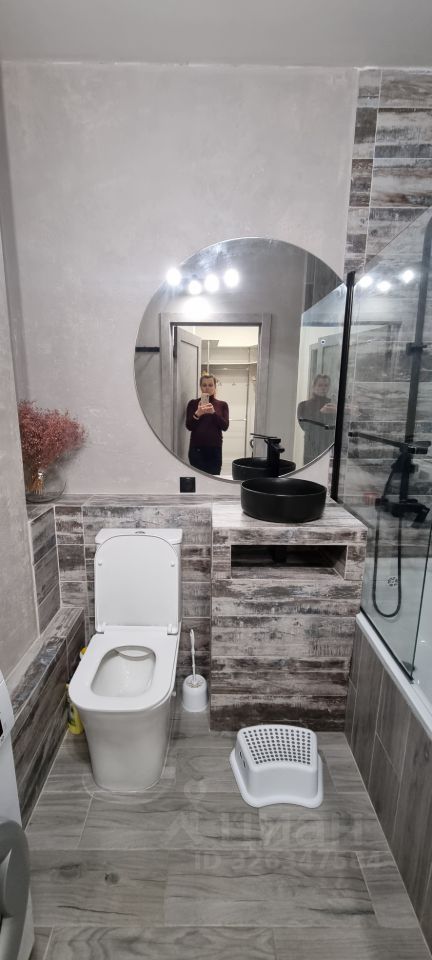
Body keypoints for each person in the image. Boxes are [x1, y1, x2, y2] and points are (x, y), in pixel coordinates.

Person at [186, 373, 229, 475]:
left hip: (215, 449)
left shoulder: (222, 405)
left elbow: (225, 426)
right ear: (200, 387)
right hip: (196, 449)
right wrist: (197, 414)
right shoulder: (193, 404)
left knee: (214, 479)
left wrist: (213, 413)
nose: (207, 388)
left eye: (210, 385)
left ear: (215, 387)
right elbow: (189, 426)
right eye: (204, 385)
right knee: (197, 479)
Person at [297, 374, 337, 464]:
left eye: (326, 385)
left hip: (329, 448)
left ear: (329, 387)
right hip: (311, 449)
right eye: (320, 385)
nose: (323, 388)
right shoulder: (303, 405)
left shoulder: (333, 405)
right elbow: (305, 426)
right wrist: (321, 412)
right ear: (314, 386)